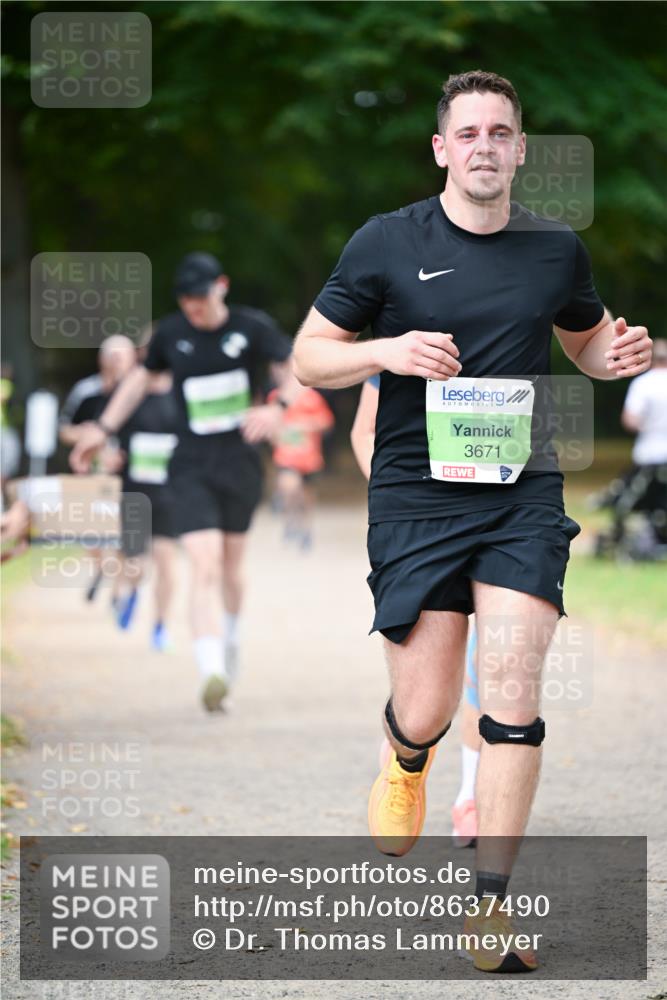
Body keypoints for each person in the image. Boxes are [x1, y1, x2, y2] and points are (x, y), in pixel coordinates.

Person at [294, 69, 652, 973]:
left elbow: (584, 342)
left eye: (502, 131)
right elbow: (308, 357)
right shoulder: (384, 243)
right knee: (424, 704)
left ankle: (488, 910)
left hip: (519, 493)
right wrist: (386, 349)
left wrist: (619, 357)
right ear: (442, 148)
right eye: (470, 132)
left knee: (513, 696)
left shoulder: (553, 248)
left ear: (519, 149)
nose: (486, 146)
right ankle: (407, 757)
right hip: (415, 492)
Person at [71, 252, 298, 711]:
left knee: (232, 567)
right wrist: (103, 428)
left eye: (200, 297)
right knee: (204, 564)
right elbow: (137, 382)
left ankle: (230, 640)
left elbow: (294, 368)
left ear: (222, 286)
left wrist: (277, 407)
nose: (193, 307)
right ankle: (210, 667)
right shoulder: (172, 335)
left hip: (239, 464)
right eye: (186, 299)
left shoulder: (251, 328)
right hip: (190, 464)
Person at [351, 374, 480, 848]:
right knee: (426, 702)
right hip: (422, 519)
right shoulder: (408, 325)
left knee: (498, 665)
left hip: (510, 511)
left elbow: (590, 329)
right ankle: (408, 757)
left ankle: (470, 797)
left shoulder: (519, 319)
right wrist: (395, 490)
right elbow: (364, 431)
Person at [60, 336, 137, 602]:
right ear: (101, 359)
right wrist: (84, 435)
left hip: (126, 471)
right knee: (90, 530)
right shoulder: (87, 391)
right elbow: (65, 429)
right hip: (91, 471)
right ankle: (102, 568)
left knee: (121, 530)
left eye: (122, 357)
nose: (117, 363)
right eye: (112, 357)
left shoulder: (136, 392)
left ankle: (118, 589)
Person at [268, 383, 334, 550]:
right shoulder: (276, 396)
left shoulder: (312, 397)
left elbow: (326, 421)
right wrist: (276, 435)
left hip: (309, 458)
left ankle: (306, 529)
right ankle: (290, 520)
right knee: (289, 486)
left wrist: (306, 425)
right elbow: (269, 426)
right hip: (286, 457)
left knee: (306, 496)